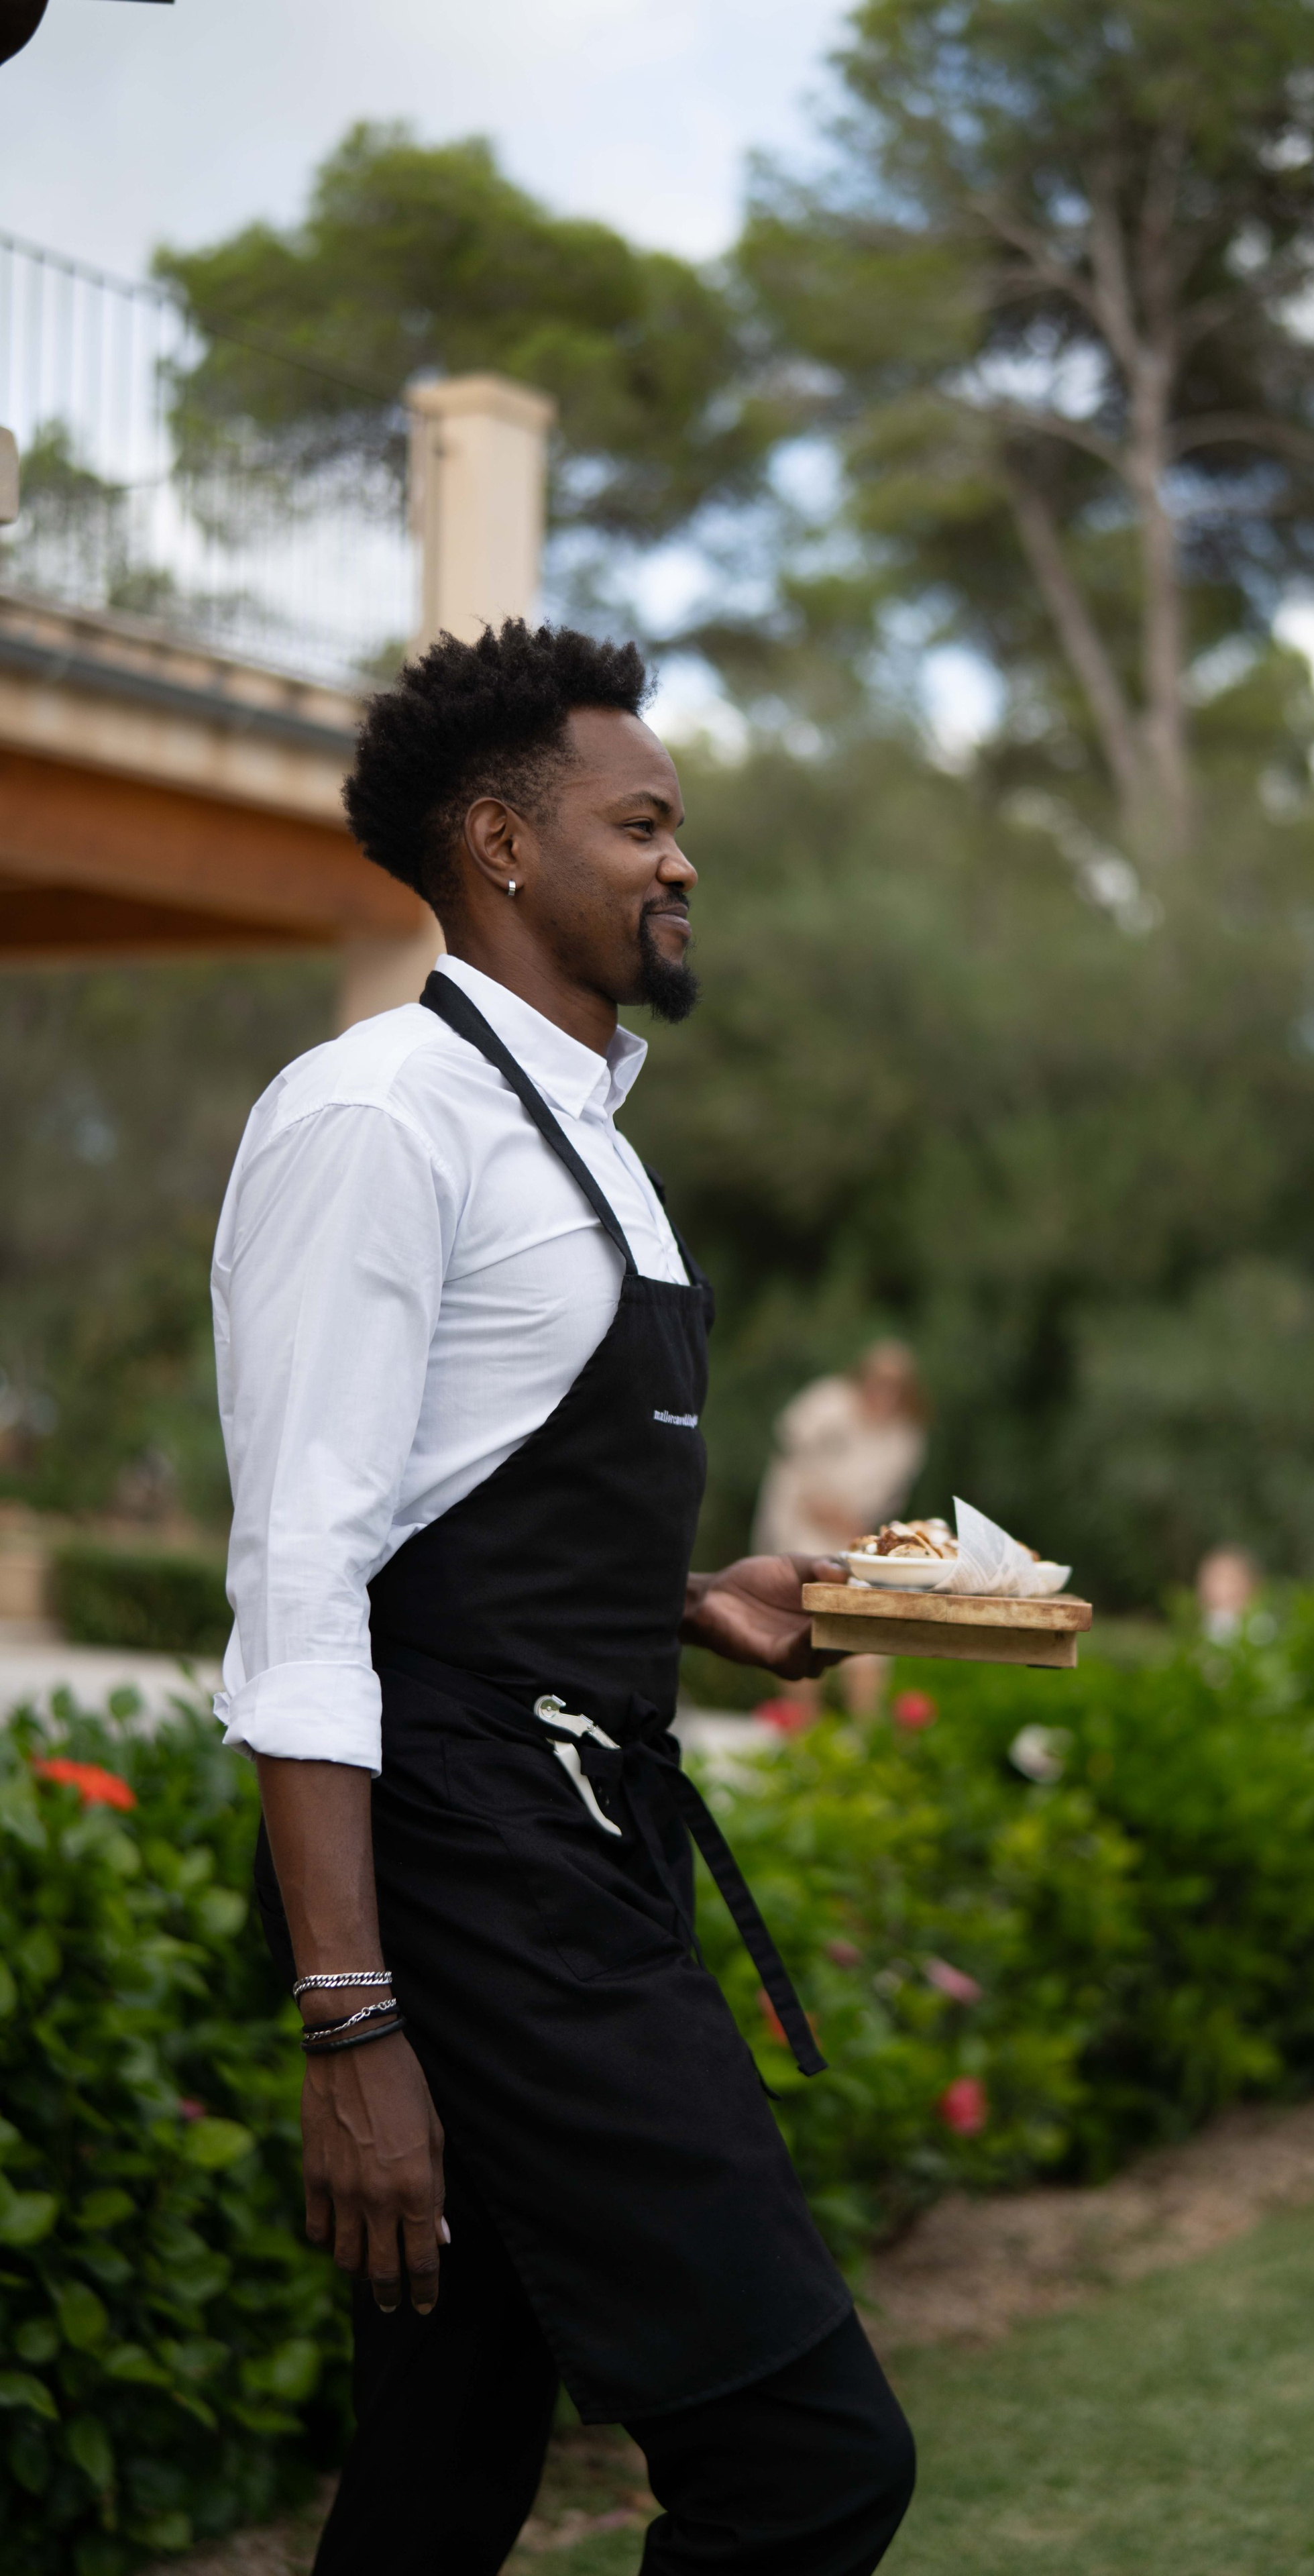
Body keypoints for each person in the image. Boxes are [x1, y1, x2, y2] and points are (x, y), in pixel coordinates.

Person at [213, 621, 916, 2576]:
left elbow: (463, 1509)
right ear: (505, 847)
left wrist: (688, 1595)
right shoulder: (377, 1119)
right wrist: (350, 2019)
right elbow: (302, 1571)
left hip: (576, 1819)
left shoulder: (581, 1133)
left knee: (439, 2474)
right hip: (482, 1864)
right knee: (807, 2462)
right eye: (644, 823)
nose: (682, 860)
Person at [752, 1342, 929, 1560]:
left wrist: (853, 1521)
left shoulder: (905, 1438)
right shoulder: (829, 1401)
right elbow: (791, 1447)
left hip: (847, 1532)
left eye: (894, 1385)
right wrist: (815, 1498)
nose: (884, 1391)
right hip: (797, 1516)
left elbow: (893, 1496)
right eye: (879, 1379)